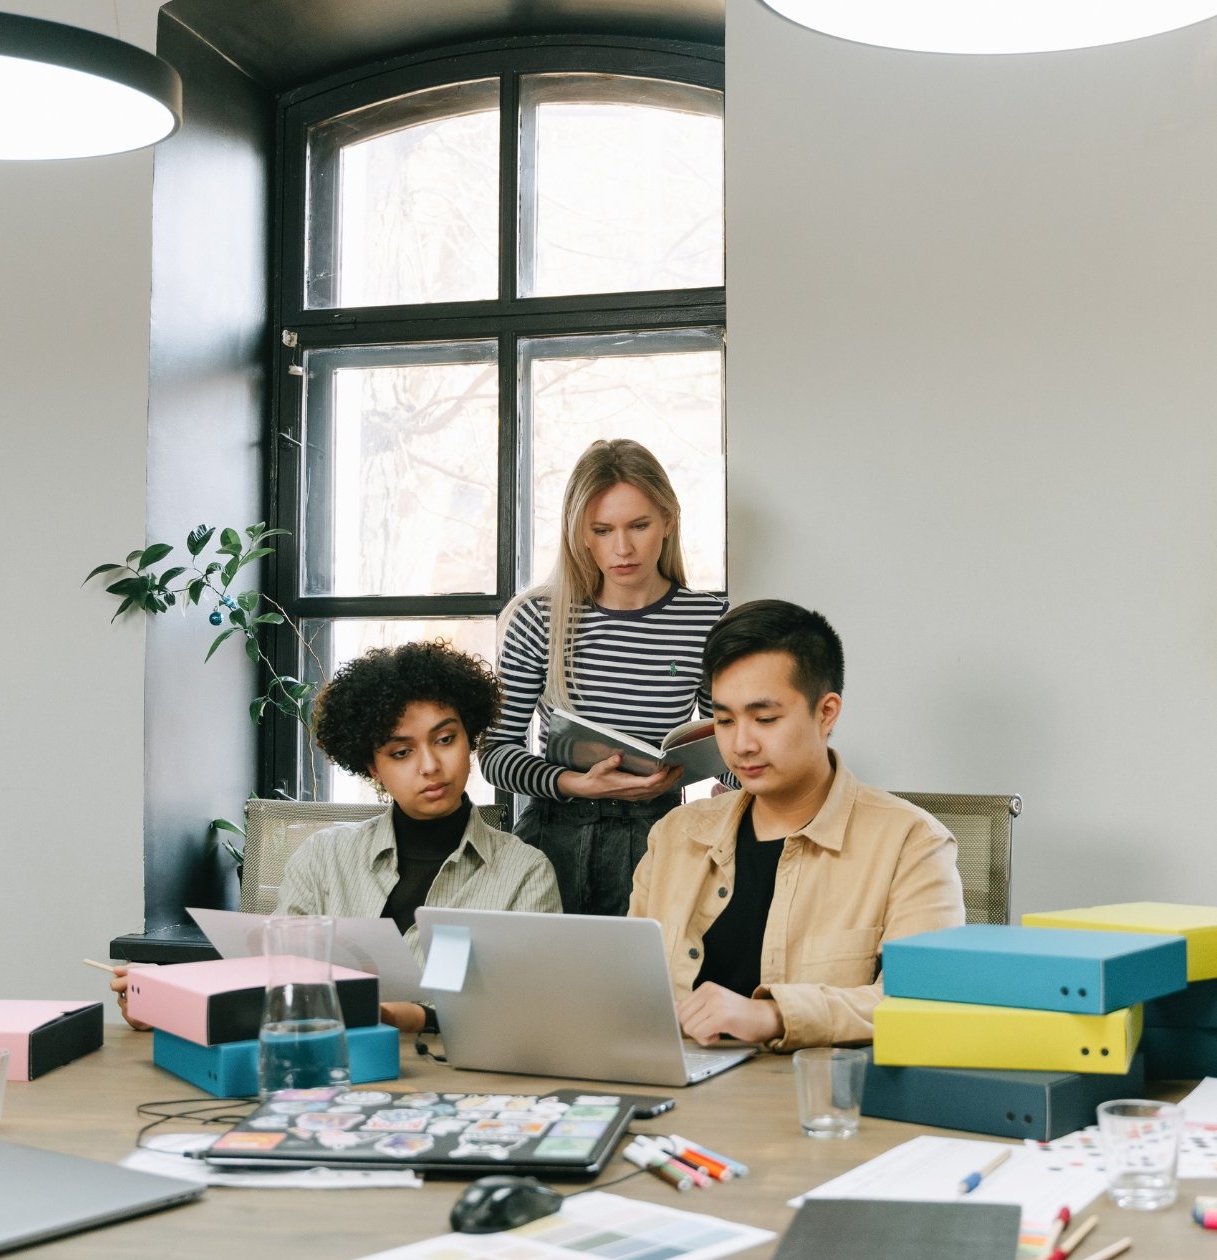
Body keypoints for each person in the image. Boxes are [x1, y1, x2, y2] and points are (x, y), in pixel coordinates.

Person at [112, 639, 559, 1034]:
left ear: (470, 738)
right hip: (322, 1072)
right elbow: (273, 984)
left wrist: (407, 1016)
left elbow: (531, 1012)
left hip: (458, 1084)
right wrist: (163, 1005)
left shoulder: (525, 872)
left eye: (445, 739)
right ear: (372, 767)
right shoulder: (324, 857)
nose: (429, 766)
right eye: (400, 752)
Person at [628, 598, 964, 1051]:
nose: (741, 744)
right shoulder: (675, 836)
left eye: (765, 719)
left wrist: (773, 1014)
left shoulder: (911, 843)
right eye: (725, 721)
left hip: (815, 1104)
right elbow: (627, 986)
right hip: (672, 1094)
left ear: (826, 712)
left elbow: (927, 1000)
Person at [479, 438, 727, 915]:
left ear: (669, 521)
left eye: (639, 525)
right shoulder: (539, 617)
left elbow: (729, 745)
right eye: (602, 529)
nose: (623, 548)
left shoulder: (709, 620)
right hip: (552, 837)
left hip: (658, 836)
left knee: (645, 987)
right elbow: (495, 755)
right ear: (581, 534)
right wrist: (575, 783)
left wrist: (749, 784)